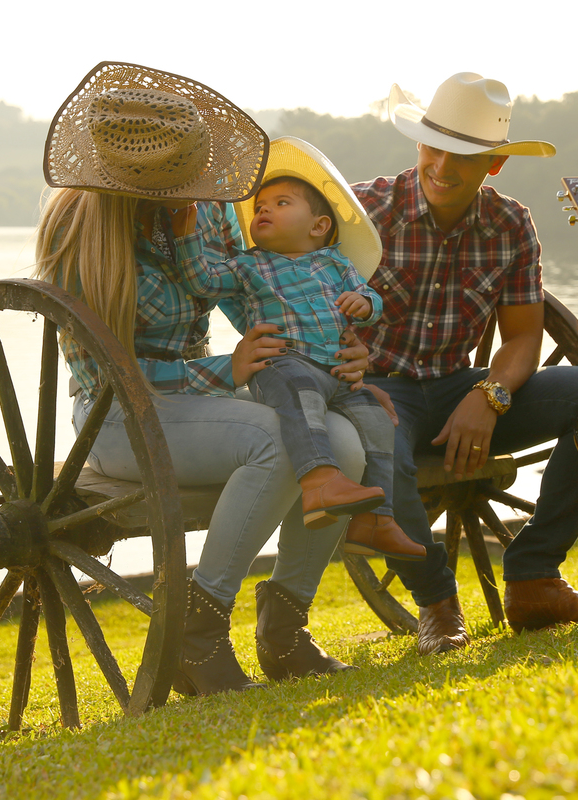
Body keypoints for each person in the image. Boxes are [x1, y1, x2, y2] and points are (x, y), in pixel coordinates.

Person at [34, 62, 373, 695]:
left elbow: (261, 304)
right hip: (115, 417)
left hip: (197, 403)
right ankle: (196, 635)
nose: (189, 189)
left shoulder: (213, 214)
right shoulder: (83, 234)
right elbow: (107, 373)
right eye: (174, 180)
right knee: (274, 441)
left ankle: (285, 631)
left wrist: (332, 350)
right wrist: (224, 369)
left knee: (344, 446)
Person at [351, 72, 578, 655]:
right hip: (375, 389)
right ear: (418, 143)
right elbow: (291, 298)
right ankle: (438, 606)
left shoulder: (511, 224)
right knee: (377, 441)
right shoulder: (361, 210)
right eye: (434, 148)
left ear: (494, 165)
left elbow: (523, 338)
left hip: (457, 386)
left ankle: (534, 577)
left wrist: (489, 396)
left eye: (465, 158)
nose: (443, 168)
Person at [170, 137, 425, 562]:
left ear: (319, 226)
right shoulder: (249, 265)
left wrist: (364, 305)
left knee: (380, 423)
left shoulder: (336, 264)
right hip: (284, 365)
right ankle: (319, 480)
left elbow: (370, 299)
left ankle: (377, 520)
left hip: (338, 371)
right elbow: (203, 282)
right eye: (261, 205)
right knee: (300, 395)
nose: (264, 209)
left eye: (281, 203)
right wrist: (186, 238)